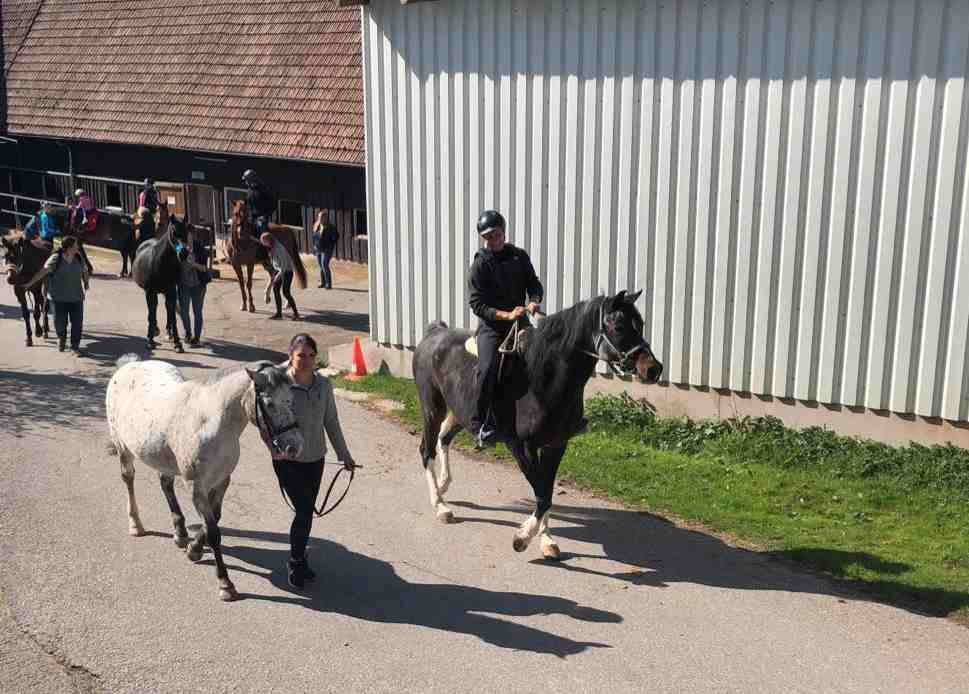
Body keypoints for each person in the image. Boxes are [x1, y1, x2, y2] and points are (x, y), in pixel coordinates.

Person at [269, 333, 356, 589]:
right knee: (305, 510)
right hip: (288, 460)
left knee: (305, 513)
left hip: (316, 458)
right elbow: (269, 422)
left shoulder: (324, 386)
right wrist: (274, 448)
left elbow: (331, 421)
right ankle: (296, 561)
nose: (306, 360)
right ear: (290, 356)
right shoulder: (279, 385)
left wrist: (344, 454)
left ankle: (301, 557)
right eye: (300, 356)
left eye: (310, 355)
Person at [467, 209, 543, 447]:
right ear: (483, 238)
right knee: (488, 369)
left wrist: (533, 301)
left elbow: (534, 284)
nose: (494, 239)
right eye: (489, 236)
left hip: (521, 323)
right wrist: (506, 314)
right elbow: (477, 304)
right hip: (493, 328)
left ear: (503, 232)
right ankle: (480, 425)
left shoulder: (519, 256)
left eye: (497, 234)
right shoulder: (480, 264)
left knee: (545, 357)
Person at [21, 235, 89, 354]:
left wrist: (86, 283)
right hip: (58, 298)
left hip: (76, 297)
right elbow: (42, 272)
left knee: (77, 323)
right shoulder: (56, 258)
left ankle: (75, 346)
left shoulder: (78, 257)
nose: (78, 247)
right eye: (75, 245)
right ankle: (61, 338)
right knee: (60, 323)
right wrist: (29, 284)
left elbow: (84, 270)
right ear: (68, 247)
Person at [177, 230, 211, 347]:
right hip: (183, 285)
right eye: (184, 237)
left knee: (197, 312)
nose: (187, 239)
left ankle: (196, 338)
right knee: (183, 311)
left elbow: (205, 269)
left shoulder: (199, 248)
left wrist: (194, 264)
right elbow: (175, 262)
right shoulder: (179, 247)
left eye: (188, 236)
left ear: (192, 236)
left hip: (198, 285)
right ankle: (188, 334)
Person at [261, 231, 300, 320]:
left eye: (264, 242)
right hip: (279, 270)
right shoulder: (272, 247)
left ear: (268, 240)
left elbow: (284, 265)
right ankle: (279, 313)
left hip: (287, 271)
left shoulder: (279, 248)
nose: (263, 244)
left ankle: (296, 314)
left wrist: (278, 276)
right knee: (275, 289)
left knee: (286, 292)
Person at [243, 169, 276, 238]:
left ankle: (265, 247)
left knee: (260, 229)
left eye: (246, 180)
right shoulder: (249, 190)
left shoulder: (263, 189)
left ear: (251, 179)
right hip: (252, 217)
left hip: (262, 217)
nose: (245, 182)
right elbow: (246, 202)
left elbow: (273, 204)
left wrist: (265, 216)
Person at [312, 210, 339, 289]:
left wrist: (330, 244)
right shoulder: (317, 225)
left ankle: (328, 283)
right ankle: (323, 282)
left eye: (321, 217)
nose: (319, 219)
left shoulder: (331, 227)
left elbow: (336, 237)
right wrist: (314, 245)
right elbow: (314, 236)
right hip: (318, 248)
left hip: (327, 249)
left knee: (324, 265)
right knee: (321, 266)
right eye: (319, 217)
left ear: (325, 218)